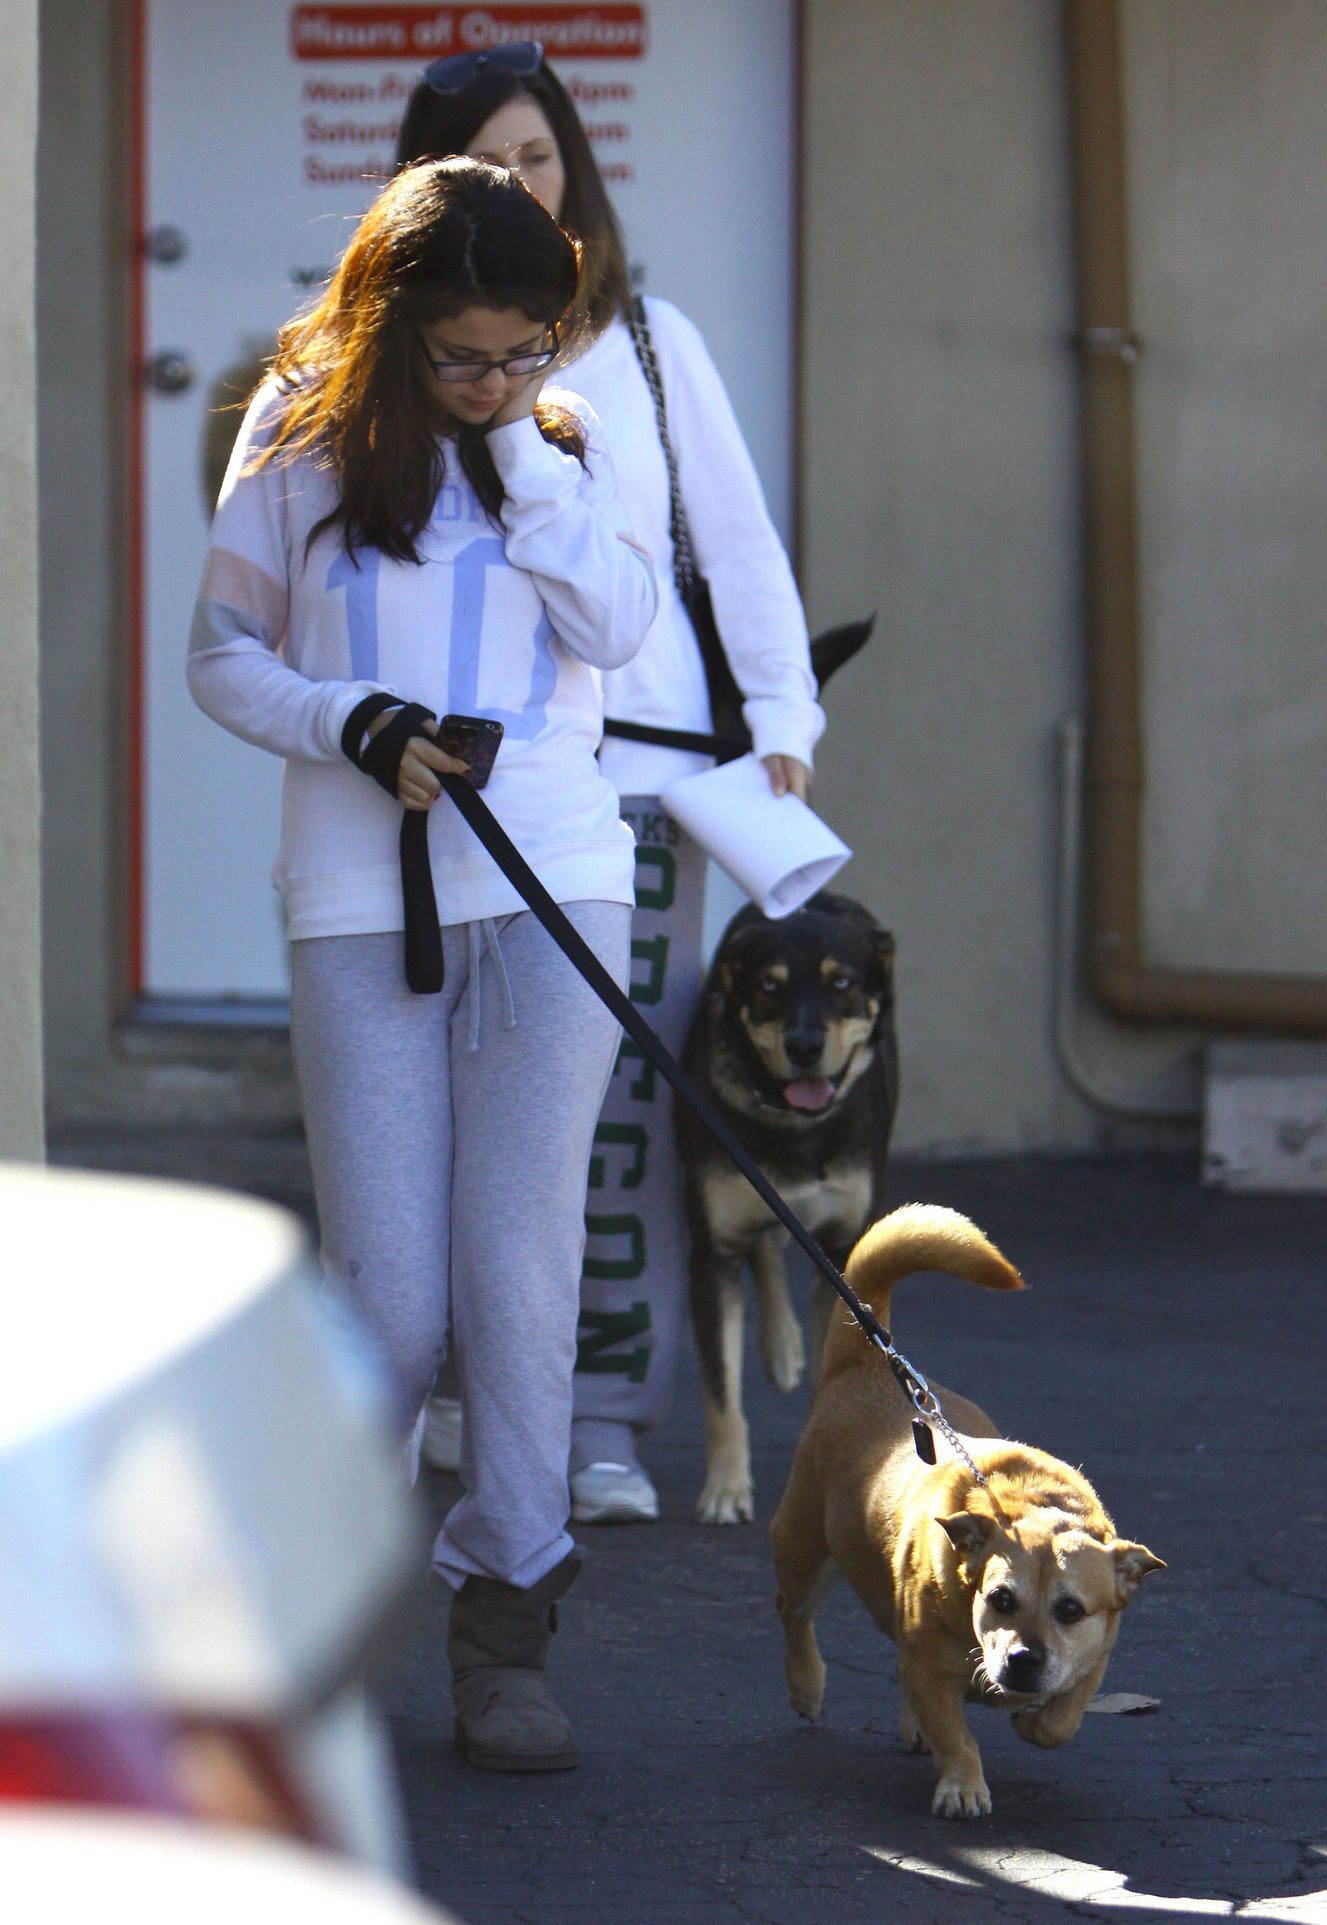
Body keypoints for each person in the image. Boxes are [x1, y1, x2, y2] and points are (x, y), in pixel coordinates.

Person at [187, 156, 657, 1772]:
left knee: (515, 1273)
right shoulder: (297, 435)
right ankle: (320, 1634)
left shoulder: (558, 439)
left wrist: (526, 448)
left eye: (528, 347)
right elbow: (221, 657)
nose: (496, 378)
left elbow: (618, 628)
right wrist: (351, 721)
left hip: (556, 884)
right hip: (357, 891)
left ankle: (507, 1624)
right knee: (387, 1300)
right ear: (391, 327)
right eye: (464, 355)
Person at [397, 46, 826, 1526]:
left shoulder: (645, 342)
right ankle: (459, 1390)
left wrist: (779, 706)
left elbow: (737, 534)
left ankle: (593, 1414)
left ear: (571, 165)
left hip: (634, 786)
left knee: (621, 1103)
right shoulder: (389, 353)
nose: (519, 184)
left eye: (537, 155)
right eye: (484, 162)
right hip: (442, 788)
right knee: (448, 1102)